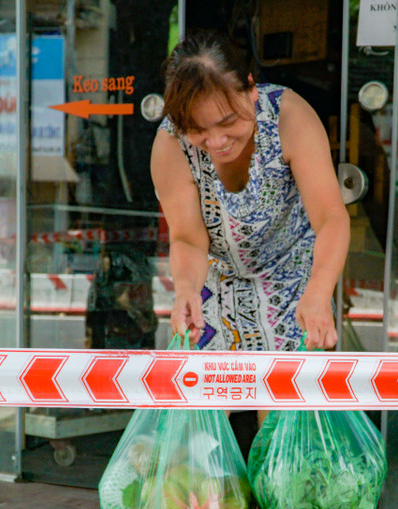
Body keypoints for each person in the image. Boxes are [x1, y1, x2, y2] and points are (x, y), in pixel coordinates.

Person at [150, 30, 350, 353]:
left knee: (286, 398)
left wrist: (320, 288)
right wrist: (186, 288)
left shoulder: (290, 118)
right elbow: (187, 239)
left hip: (294, 280)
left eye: (228, 121)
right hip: (212, 282)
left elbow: (331, 218)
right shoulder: (170, 145)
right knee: (209, 394)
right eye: (198, 130)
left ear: (251, 89)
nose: (216, 142)